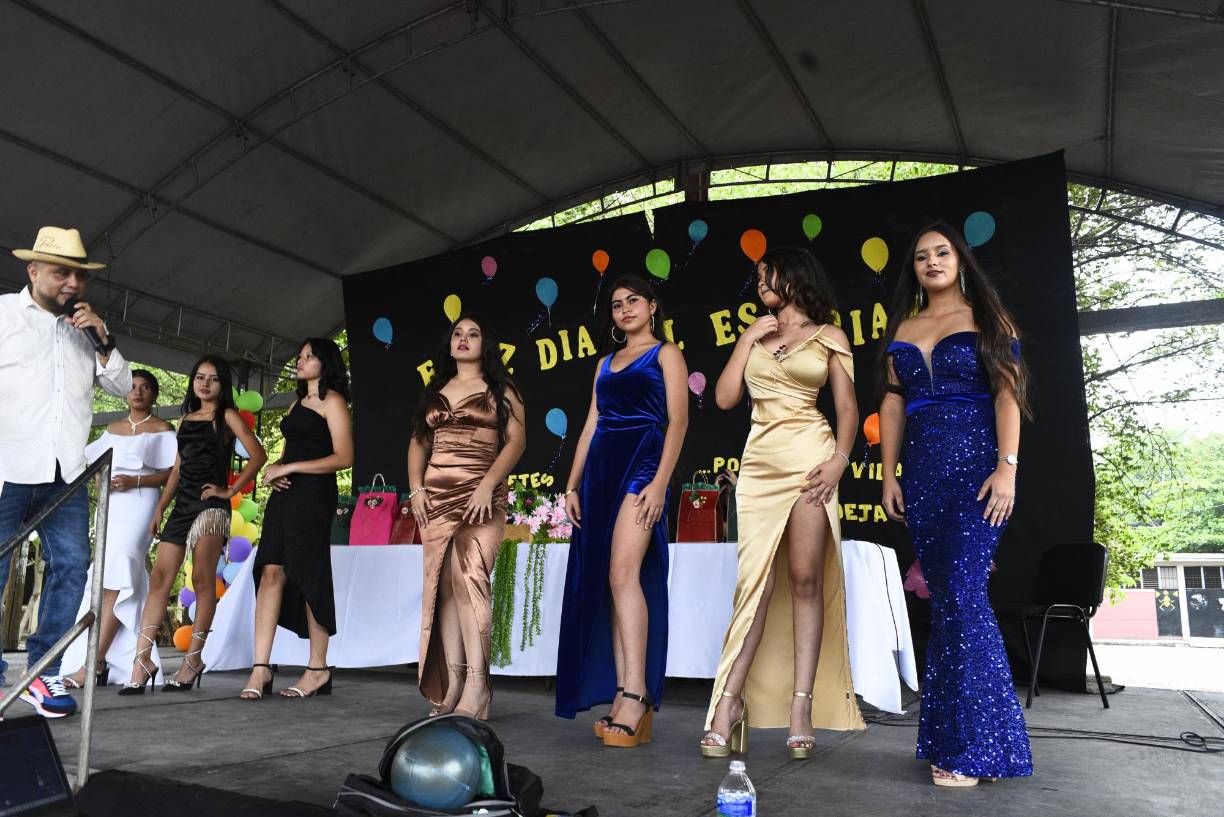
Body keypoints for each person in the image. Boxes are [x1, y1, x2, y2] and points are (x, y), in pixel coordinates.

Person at [878, 223, 1033, 786]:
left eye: (942, 252)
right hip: (922, 475)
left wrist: (1007, 469)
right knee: (946, 601)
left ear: (960, 261)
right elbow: (892, 404)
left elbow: (1007, 393)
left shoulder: (990, 319)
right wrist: (889, 472)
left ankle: (977, 747)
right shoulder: (906, 326)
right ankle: (955, 739)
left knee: (965, 598)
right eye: (921, 256)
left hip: (978, 475)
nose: (932, 261)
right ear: (914, 270)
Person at [701, 246, 864, 759]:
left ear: (795, 276)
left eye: (767, 272)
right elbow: (725, 399)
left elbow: (847, 406)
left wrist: (840, 459)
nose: (761, 281)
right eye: (756, 275)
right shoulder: (756, 336)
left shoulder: (830, 336)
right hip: (759, 467)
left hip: (811, 460)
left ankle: (801, 707)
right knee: (754, 587)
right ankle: (729, 703)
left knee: (806, 579)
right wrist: (749, 336)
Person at [0, 226, 131, 718]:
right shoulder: (4, 315)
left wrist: (102, 340)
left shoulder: (87, 331)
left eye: (78, 274)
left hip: (66, 475)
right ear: (33, 271)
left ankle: (43, 673)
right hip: (7, 469)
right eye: (61, 272)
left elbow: (122, 387)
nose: (72, 283)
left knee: (73, 568)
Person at [556, 275, 688, 749]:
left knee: (622, 574)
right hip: (601, 473)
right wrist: (571, 484)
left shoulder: (666, 353)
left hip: (643, 467)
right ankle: (621, 690)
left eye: (634, 300)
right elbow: (591, 424)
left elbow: (678, 421)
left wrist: (659, 483)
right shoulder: (605, 363)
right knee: (612, 584)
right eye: (616, 305)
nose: (625, 309)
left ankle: (637, 693)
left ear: (652, 306)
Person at [122, 356, 266, 694]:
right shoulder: (185, 419)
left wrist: (230, 490)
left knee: (203, 580)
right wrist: (160, 506)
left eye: (213, 379)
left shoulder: (226, 415)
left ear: (222, 384)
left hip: (211, 505)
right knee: (160, 577)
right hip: (182, 505)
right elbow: (176, 470)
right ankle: (142, 660)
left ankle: (193, 659)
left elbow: (258, 455)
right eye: (199, 377)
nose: (204, 384)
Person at [408, 314, 526, 720]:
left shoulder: (501, 388)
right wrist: (416, 488)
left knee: (469, 576)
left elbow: (516, 443)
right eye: (458, 334)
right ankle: (454, 682)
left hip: (481, 494)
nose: (463, 339)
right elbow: (418, 443)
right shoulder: (436, 389)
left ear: (485, 344)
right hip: (437, 497)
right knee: (444, 587)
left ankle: (479, 686)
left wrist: (487, 485)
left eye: (473, 334)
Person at [241, 339, 353, 700]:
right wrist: (275, 470)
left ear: (326, 362)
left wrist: (293, 466)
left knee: (308, 572)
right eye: (300, 356)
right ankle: (260, 668)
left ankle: (317, 669)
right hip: (285, 496)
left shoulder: (333, 402)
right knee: (270, 571)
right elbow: (289, 453)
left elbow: (344, 457)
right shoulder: (295, 402)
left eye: (309, 356)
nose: (301, 361)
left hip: (315, 497)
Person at [61, 371, 176, 688]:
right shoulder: (112, 428)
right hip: (111, 507)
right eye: (132, 387)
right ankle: (125, 661)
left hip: (141, 504)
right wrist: (102, 484)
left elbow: (172, 474)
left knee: (121, 568)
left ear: (154, 394)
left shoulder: (163, 429)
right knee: (107, 576)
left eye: (145, 388)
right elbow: (98, 466)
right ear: (124, 394)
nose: (138, 392)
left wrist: (136, 481)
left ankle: (93, 663)